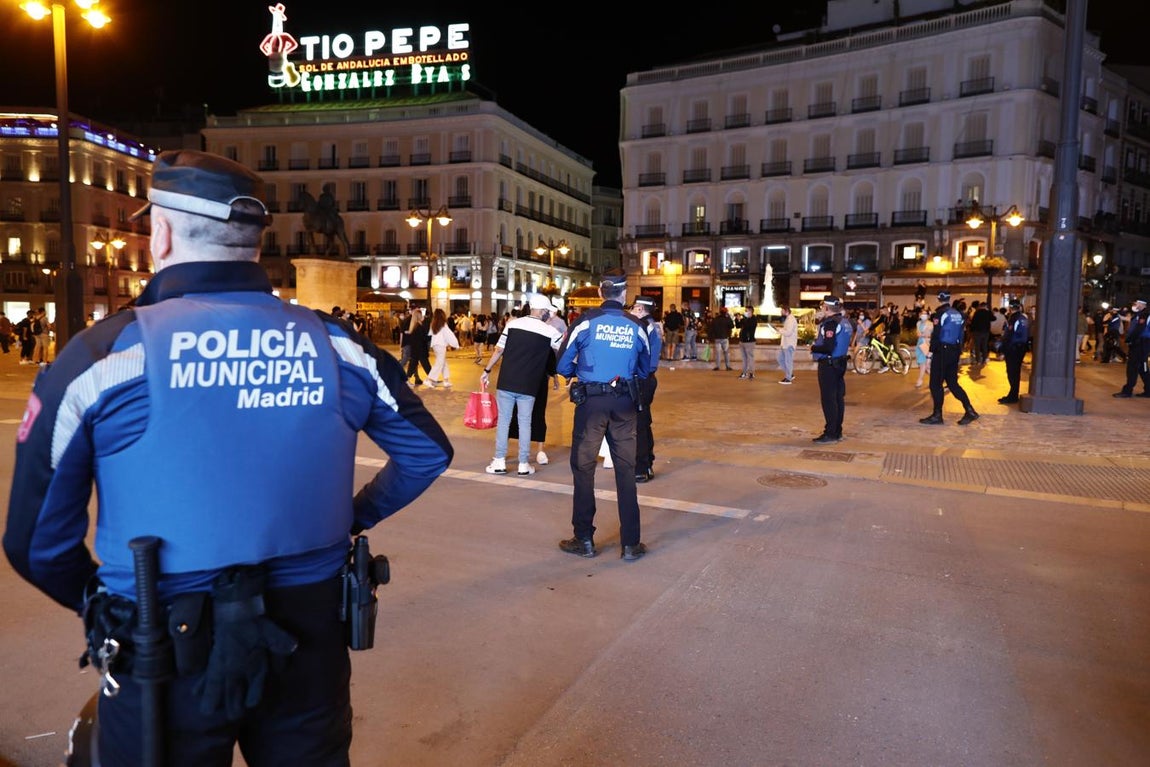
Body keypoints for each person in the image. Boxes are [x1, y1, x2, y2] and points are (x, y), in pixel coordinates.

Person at [2, 149, 454, 767]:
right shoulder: (339, 345)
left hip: (159, 641)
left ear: (159, 231)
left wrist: (107, 607)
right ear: (253, 239)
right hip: (309, 634)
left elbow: (35, 544)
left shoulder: (103, 356)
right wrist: (354, 517)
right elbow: (427, 453)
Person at [556, 270, 652, 561]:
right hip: (624, 402)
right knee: (625, 470)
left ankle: (584, 538)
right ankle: (630, 544)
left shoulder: (584, 323)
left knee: (584, 469)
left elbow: (562, 364)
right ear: (623, 294)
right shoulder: (636, 325)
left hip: (591, 404)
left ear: (600, 292)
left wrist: (580, 373)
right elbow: (645, 369)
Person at [481, 294, 564, 475]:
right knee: (525, 423)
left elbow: (499, 349)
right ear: (542, 311)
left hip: (507, 381)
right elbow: (563, 349)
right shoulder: (549, 331)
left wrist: (486, 371)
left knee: (504, 421)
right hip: (529, 384)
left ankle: (499, 461)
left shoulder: (512, 324)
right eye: (547, 311)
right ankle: (523, 464)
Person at [920, 290, 979, 425]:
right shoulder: (958, 314)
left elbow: (936, 335)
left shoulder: (940, 314)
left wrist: (930, 354)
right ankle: (970, 410)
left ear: (938, 299)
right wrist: (958, 351)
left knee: (935, 384)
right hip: (953, 351)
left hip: (942, 351)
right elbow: (960, 335)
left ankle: (937, 415)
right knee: (952, 383)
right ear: (949, 298)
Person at [809, 296, 852, 443]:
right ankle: (837, 431)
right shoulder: (845, 322)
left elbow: (828, 347)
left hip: (829, 365)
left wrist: (813, 347)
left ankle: (831, 433)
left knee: (829, 400)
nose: (821, 309)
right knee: (838, 398)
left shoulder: (830, 324)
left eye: (822, 306)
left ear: (826, 308)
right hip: (840, 364)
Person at [629, 295, 663, 483]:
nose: (631, 311)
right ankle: (647, 462)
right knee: (644, 422)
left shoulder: (644, 326)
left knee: (638, 424)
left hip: (641, 379)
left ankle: (641, 468)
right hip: (647, 379)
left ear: (641, 309)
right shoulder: (653, 326)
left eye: (633, 308)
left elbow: (645, 358)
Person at [1113, 298, 1150, 398]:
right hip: (1141, 344)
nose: (1134, 305)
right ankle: (1148, 390)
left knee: (1132, 367)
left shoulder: (1144, 314)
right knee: (1142, 368)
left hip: (1140, 344)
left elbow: (1139, 329)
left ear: (1142, 304)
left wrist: (1129, 340)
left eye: (1136, 303)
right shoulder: (1140, 314)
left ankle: (1127, 391)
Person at [997, 298, 1031, 404]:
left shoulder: (1013, 319)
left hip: (1013, 348)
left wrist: (1002, 349)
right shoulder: (1024, 318)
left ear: (1011, 308)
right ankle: (1013, 394)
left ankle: (1013, 396)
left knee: (1012, 372)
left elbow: (1009, 335)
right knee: (1016, 372)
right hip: (1021, 347)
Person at [424, 307, 459, 389]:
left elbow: (430, 334)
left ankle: (446, 381)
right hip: (441, 346)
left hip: (435, 345)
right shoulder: (443, 325)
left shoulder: (434, 324)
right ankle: (429, 379)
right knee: (439, 363)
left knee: (443, 363)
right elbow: (449, 335)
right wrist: (456, 345)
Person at [405, 308, 432, 386]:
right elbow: (424, 338)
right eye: (421, 315)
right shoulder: (419, 327)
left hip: (416, 349)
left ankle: (407, 380)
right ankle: (432, 379)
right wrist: (431, 336)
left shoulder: (414, 326)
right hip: (420, 349)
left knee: (413, 364)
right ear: (418, 316)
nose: (422, 316)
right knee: (425, 364)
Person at [776, 304, 797, 384]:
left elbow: (788, 332)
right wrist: (780, 329)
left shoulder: (791, 319)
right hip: (785, 344)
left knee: (788, 361)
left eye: (782, 310)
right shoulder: (788, 319)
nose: (781, 312)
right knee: (780, 359)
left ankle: (788, 378)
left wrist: (779, 330)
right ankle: (790, 374)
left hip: (789, 344)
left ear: (786, 311)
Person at [708, 306, 734, 371]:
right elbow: (732, 326)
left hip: (717, 338)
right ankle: (727, 366)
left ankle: (717, 366)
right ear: (726, 312)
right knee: (726, 353)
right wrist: (729, 317)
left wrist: (710, 337)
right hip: (725, 338)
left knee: (718, 353)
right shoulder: (727, 319)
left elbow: (711, 329)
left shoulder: (715, 319)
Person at [968, 300, 993, 365]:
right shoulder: (987, 312)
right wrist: (989, 311)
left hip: (977, 332)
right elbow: (993, 318)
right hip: (986, 331)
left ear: (980, 306)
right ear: (985, 306)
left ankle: (978, 360)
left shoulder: (977, 313)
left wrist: (971, 331)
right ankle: (984, 360)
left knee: (977, 346)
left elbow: (973, 322)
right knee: (984, 346)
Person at [737, 305, 759, 379]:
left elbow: (748, 327)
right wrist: (737, 319)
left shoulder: (753, 319)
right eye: (745, 311)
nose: (745, 312)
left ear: (751, 311)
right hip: (742, 341)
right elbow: (738, 326)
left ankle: (751, 373)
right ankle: (744, 372)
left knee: (750, 358)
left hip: (749, 342)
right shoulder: (745, 319)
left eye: (747, 311)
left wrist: (744, 319)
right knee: (744, 358)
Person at [914, 306, 933, 388]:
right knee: (926, 366)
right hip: (920, 344)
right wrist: (922, 334)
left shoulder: (930, 324)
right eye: (922, 313)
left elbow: (928, 334)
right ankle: (935, 380)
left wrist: (923, 334)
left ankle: (920, 380)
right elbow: (918, 334)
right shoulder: (918, 323)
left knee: (924, 364)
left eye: (925, 314)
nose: (923, 315)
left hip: (927, 344)